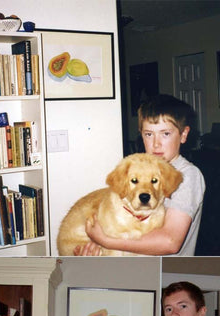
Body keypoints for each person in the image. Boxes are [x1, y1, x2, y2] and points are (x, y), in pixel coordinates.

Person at [74, 94, 205, 256]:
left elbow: (170, 242)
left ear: (183, 135)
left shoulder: (187, 175)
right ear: (141, 134)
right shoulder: (136, 169)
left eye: (165, 134)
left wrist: (106, 241)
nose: (156, 143)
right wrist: (99, 246)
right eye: (149, 134)